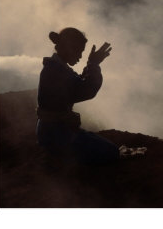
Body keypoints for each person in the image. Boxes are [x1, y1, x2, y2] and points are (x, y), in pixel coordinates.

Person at [36, 27, 120, 165]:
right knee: (111, 152)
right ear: (69, 48)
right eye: (79, 52)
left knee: (103, 146)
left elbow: (77, 85)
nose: (80, 56)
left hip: (51, 131)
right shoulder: (56, 71)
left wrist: (92, 64)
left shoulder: (56, 68)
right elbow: (86, 90)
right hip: (55, 134)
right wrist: (93, 64)